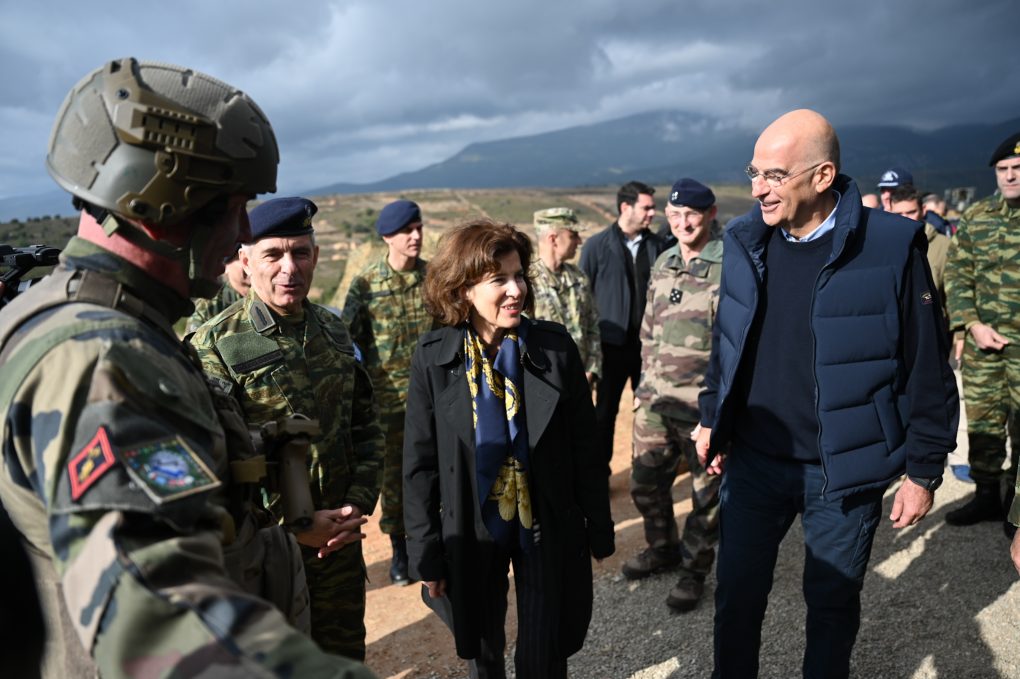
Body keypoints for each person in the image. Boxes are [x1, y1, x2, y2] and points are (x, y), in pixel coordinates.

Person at [0, 58, 374, 678]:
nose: (244, 230)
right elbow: (157, 612)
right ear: (165, 205)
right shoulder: (101, 360)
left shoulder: (116, 324)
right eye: (234, 207)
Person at [696, 109, 959, 679]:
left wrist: (923, 471)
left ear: (822, 176)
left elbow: (927, 367)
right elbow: (728, 339)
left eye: (774, 175)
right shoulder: (745, 240)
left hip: (842, 472)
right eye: (753, 173)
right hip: (755, 462)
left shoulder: (891, 246)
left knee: (831, 606)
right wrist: (713, 416)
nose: (758, 189)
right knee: (736, 596)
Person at [404, 219, 615, 678]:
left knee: (544, 650)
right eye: (498, 280)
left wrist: (598, 526)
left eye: (519, 276)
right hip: (471, 524)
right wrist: (426, 553)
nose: (516, 290)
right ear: (463, 290)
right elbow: (420, 465)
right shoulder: (433, 358)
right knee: (483, 648)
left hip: (542, 519)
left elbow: (586, 449)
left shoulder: (555, 349)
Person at [190, 196, 383, 660]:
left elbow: (364, 426)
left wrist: (355, 506)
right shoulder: (214, 345)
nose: (288, 268)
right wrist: (295, 526)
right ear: (245, 261)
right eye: (273, 254)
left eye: (300, 252)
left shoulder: (334, 332)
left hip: (338, 547)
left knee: (342, 661)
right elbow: (212, 465)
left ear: (316, 256)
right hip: (265, 555)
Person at [623, 178, 722, 613]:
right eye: (675, 215)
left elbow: (735, 345)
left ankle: (694, 571)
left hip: (701, 407)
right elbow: (649, 329)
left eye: (692, 214)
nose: (683, 223)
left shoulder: (729, 265)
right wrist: (644, 387)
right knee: (645, 484)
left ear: (711, 214)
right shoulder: (664, 261)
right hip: (655, 401)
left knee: (706, 497)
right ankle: (662, 547)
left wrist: (720, 411)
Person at [341, 199, 436, 586]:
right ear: (387, 237)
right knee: (395, 477)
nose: (415, 236)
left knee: (438, 469)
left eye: (418, 228)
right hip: (389, 402)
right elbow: (348, 344)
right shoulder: (366, 285)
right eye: (406, 231)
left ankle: (435, 541)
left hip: (434, 397)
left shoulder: (434, 278)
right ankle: (400, 549)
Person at [946, 131, 1020, 537]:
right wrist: (972, 324)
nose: (1009, 176)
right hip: (984, 345)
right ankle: (987, 495)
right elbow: (958, 275)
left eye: (1017, 168)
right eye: (1003, 169)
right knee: (984, 424)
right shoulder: (977, 217)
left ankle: (1017, 509)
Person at [580, 181, 667, 469]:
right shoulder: (596, 246)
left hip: (648, 349)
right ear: (625, 207)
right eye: (647, 207)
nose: (652, 213)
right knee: (605, 413)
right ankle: (599, 475)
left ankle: (648, 473)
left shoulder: (658, 246)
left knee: (651, 413)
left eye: (653, 208)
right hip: (610, 348)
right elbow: (583, 300)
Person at [530, 207, 601, 385]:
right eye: (573, 235)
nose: (579, 241)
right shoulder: (528, 281)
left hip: (580, 380)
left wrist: (591, 369)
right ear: (553, 239)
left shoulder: (579, 277)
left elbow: (593, 326)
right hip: (544, 382)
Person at [890, 184, 952, 338]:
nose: (905, 218)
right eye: (898, 213)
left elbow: (954, 292)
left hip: (933, 329)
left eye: (911, 212)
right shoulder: (882, 246)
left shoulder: (944, 245)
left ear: (923, 210)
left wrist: (959, 335)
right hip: (894, 331)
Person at [186, 247, 250, 333]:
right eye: (240, 259)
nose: (249, 264)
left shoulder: (267, 296)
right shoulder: (207, 308)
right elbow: (194, 340)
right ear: (225, 267)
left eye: (251, 257)